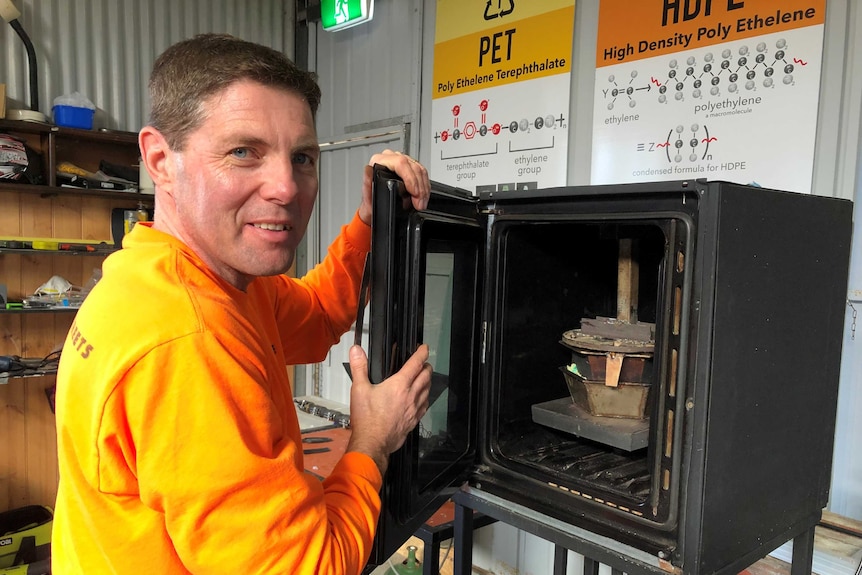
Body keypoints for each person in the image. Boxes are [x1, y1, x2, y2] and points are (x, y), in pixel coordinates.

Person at [52, 33, 433, 575]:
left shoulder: (209, 280)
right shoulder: (187, 340)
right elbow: (310, 568)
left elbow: (321, 311)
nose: (286, 187)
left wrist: (371, 221)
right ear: (160, 159)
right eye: (242, 152)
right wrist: (371, 441)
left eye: (302, 157)